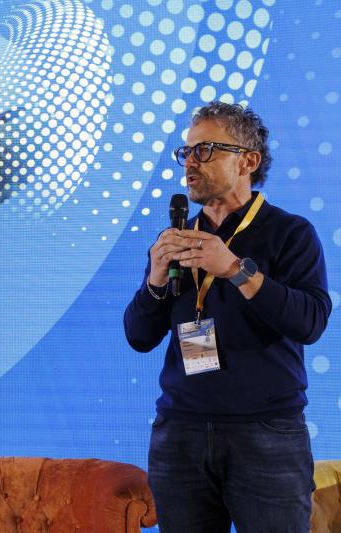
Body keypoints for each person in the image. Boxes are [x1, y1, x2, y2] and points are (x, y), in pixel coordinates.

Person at [124, 101, 331, 533]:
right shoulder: (177, 239)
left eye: (205, 150)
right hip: (180, 432)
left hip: (266, 433)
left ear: (247, 162)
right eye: (186, 152)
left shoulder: (290, 233)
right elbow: (139, 336)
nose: (190, 163)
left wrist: (236, 270)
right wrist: (156, 280)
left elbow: (309, 322)